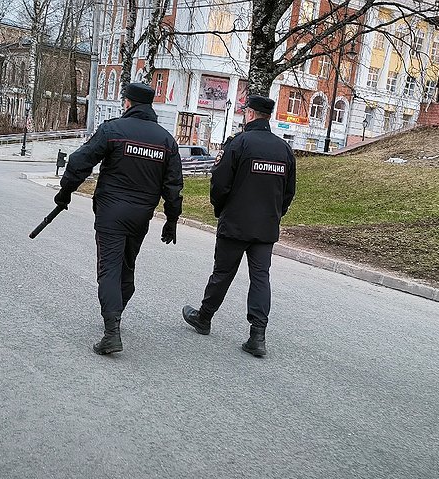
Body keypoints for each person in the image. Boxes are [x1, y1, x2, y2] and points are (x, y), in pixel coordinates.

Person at [55, 83, 184, 355]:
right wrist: (171, 220)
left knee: (109, 270)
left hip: (111, 212)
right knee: (127, 266)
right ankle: (115, 315)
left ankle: (111, 331)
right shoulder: (166, 140)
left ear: (127, 103)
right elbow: (173, 186)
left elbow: (80, 161)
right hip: (141, 216)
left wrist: (65, 192)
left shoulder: (113, 130)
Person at [182, 95, 296, 357]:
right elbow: (289, 191)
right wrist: (276, 214)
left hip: (235, 222)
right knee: (260, 278)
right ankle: (257, 335)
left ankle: (204, 317)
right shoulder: (284, 149)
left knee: (222, 273)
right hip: (266, 227)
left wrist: (220, 208)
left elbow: (220, 182)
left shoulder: (239, 143)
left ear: (251, 114)